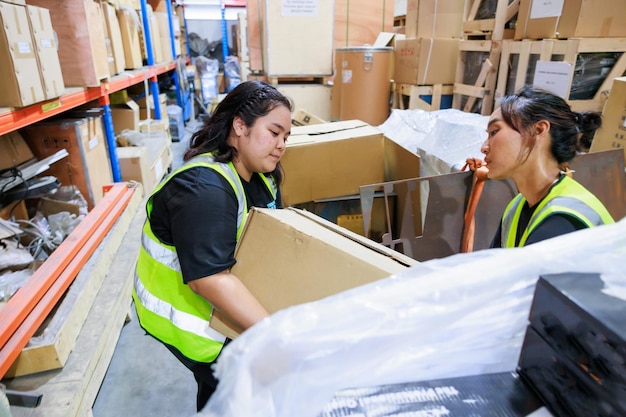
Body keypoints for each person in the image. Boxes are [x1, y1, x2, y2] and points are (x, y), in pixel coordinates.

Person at [132, 80, 293, 411]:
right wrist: (277, 336)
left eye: (286, 138)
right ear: (239, 126)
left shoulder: (258, 175)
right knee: (241, 390)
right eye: (273, 132)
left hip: (221, 308)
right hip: (191, 322)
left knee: (225, 394)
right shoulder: (203, 189)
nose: (280, 145)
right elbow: (208, 278)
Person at [465, 86, 614, 248]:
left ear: (539, 130)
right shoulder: (516, 208)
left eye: (494, 132)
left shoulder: (562, 222)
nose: (484, 147)